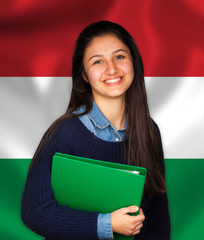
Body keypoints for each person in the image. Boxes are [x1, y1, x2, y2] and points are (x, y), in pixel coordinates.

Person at [21, 20, 170, 240]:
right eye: (97, 61)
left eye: (119, 56)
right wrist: (108, 223)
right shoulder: (65, 133)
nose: (112, 69)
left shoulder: (149, 131)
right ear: (84, 75)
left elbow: (157, 218)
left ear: (134, 63)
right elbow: (35, 212)